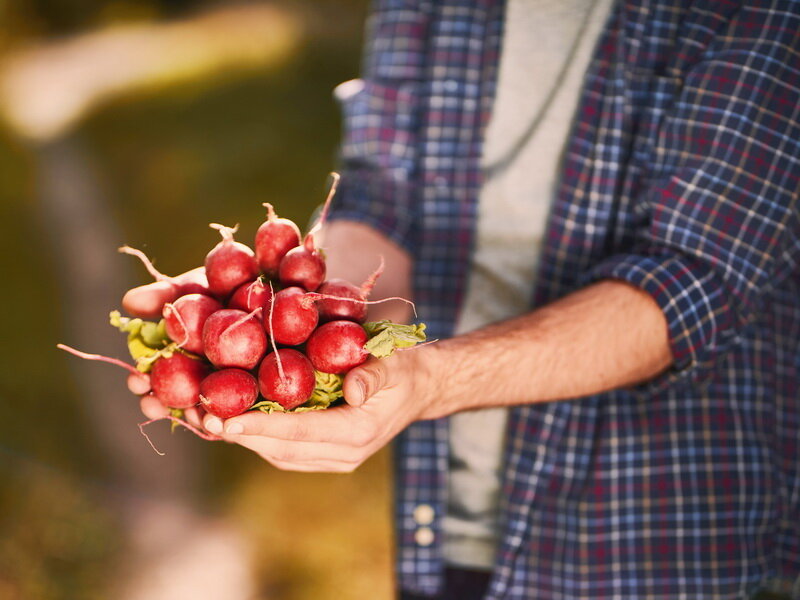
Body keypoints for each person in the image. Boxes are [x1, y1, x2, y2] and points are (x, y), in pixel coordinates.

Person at [126, 0, 800, 598]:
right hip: (441, 521)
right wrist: (344, 316)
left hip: (656, 540)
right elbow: (380, 187)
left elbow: (694, 280)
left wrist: (428, 380)